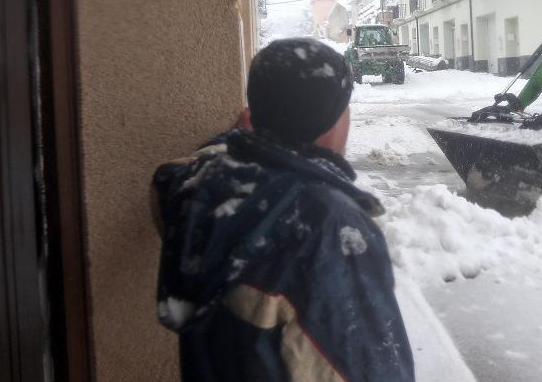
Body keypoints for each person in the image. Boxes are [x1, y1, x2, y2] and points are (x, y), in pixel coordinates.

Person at [152, 38, 414, 382]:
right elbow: (369, 367)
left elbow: (166, 175)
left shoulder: (200, 188)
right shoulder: (325, 229)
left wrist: (239, 143)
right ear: (332, 119)